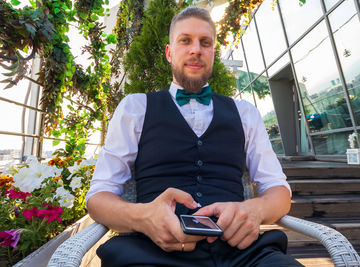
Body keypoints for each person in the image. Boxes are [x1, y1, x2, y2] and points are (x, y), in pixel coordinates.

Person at [86, 6, 303, 267]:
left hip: (243, 255)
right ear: (169, 52)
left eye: (205, 42)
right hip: (151, 254)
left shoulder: (246, 113)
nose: (196, 49)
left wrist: (253, 210)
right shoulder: (135, 108)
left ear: (213, 53)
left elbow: (279, 192)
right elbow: (99, 198)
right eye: (185, 40)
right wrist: (143, 217)